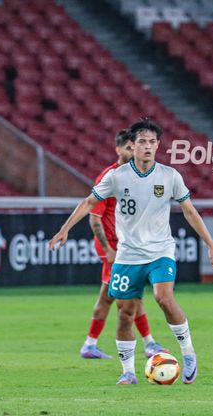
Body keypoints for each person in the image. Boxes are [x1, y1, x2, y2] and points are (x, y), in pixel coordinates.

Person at [50, 118, 213, 385]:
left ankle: (188, 354)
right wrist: (65, 229)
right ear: (132, 145)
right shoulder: (116, 177)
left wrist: (211, 245)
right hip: (128, 255)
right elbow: (88, 203)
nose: (147, 146)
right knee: (125, 313)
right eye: (142, 141)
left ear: (158, 145)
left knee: (163, 297)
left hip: (160, 251)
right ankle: (128, 372)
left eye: (152, 142)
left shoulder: (169, 176)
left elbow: (190, 211)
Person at [81, 129, 169, 360]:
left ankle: (90, 344)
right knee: (131, 294)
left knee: (109, 297)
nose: (135, 151)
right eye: (130, 147)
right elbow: (94, 218)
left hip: (124, 247)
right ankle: (149, 343)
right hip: (113, 248)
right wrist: (109, 249)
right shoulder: (109, 177)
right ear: (118, 149)